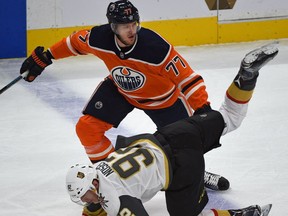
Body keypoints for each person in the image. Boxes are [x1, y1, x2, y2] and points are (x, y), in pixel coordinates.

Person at [19, 1, 228, 190]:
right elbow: (74, 42)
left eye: (134, 24)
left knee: (186, 143)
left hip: (164, 99)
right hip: (122, 91)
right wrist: (46, 56)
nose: (132, 29)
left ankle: (198, 175)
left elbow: (187, 77)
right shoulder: (100, 38)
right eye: (125, 26)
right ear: (113, 27)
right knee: (87, 128)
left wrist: (203, 108)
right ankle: (113, 177)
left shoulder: (155, 47)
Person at [65, 43, 278, 215]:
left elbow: (110, 204)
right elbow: (95, 203)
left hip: (181, 166)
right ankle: (246, 77)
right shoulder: (102, 167)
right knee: (230, 117)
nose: (85, 201)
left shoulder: (114, 201)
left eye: (84, 196)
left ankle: (242, 214)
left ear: (93, 184)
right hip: (173, 132)